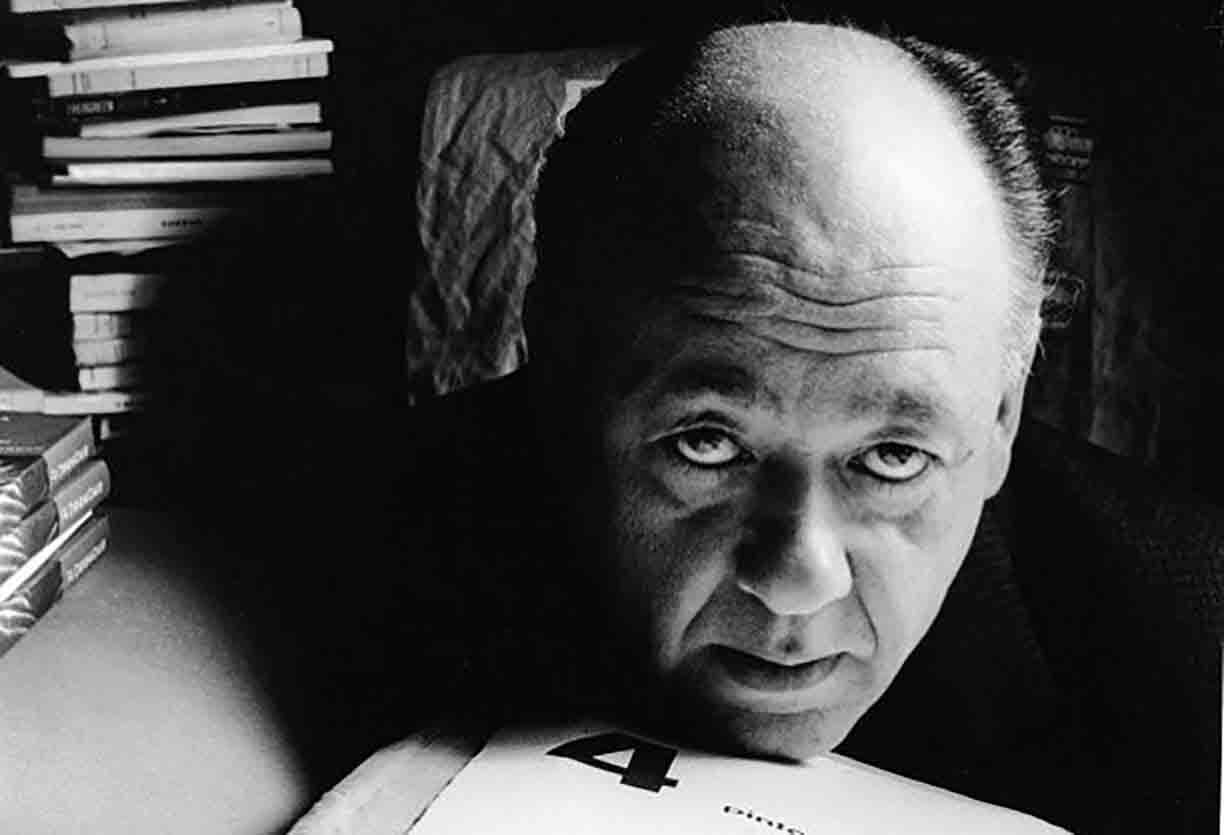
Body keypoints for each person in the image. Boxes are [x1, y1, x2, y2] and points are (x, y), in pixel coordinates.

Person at [292, 20, 1223, 834]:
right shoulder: (315, 562)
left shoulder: (1195, 654)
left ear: (1002, 421)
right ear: (556, 368)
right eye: (708, 442)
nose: (795, 578)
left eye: (893, 456)